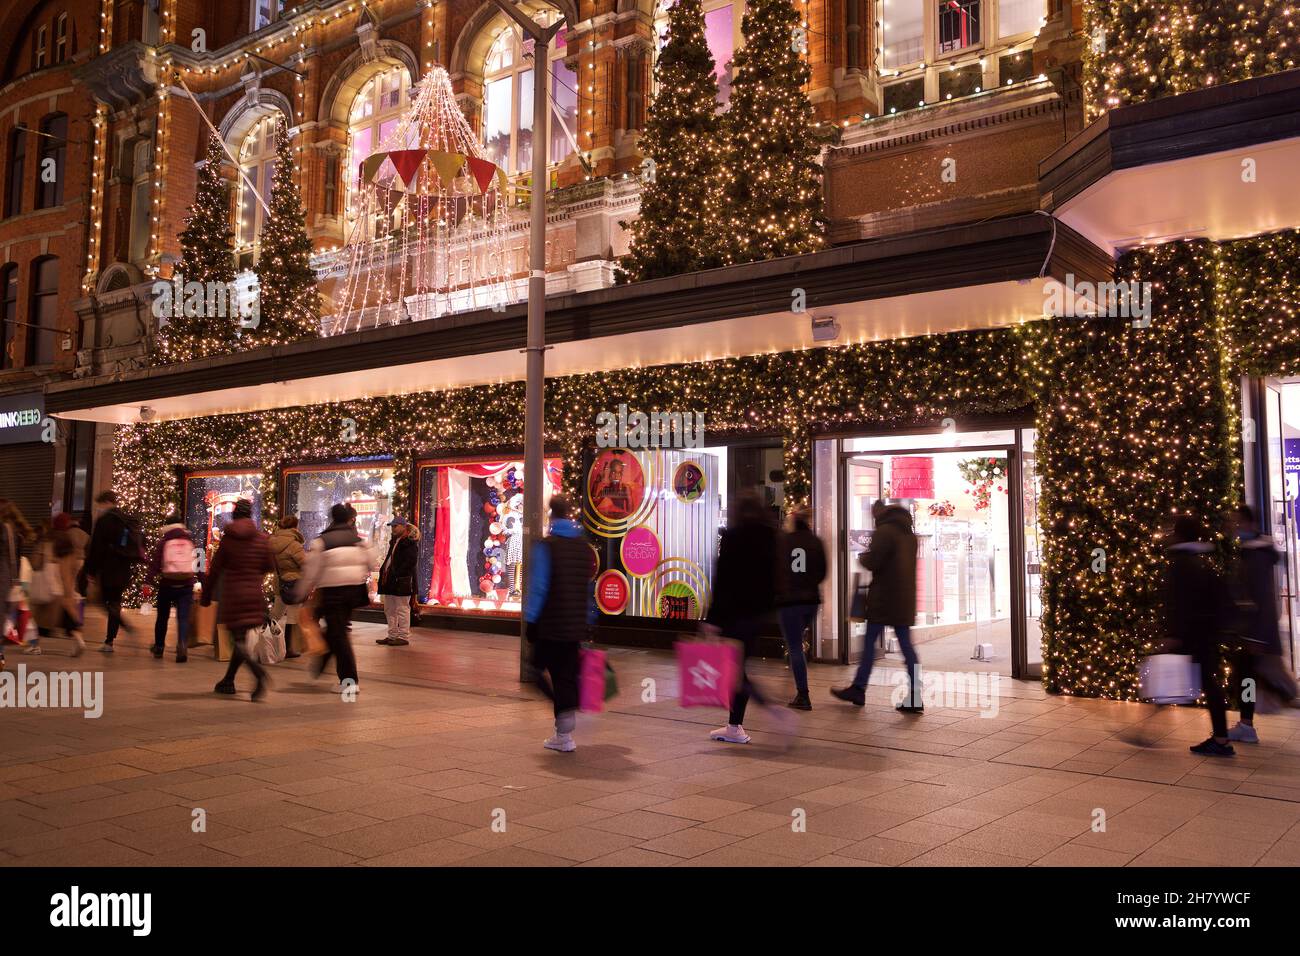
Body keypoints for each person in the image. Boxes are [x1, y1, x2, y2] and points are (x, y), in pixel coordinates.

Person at [704, 490, 785, 744]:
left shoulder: (733, 537)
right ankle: (734, 725)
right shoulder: (771, 537)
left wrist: (713, 619)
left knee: (734, 673)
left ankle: (770, 710)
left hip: (734, 614)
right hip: (757, 614)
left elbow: (724, 580)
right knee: (737, 669)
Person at [833, 499, 923, 712]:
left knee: (869, 645)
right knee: (907, 647)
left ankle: (859, 688)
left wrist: (863, 557)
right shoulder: (909, 534)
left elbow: (873, 561)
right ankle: (915, 695)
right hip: (903, 599)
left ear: (878, 513)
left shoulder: (884, 531)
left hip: (884, 598)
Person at [524, 496, 594, 752]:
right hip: (574, 625)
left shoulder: (547, 546)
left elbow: (539, 587)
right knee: (564, 674)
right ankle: (563, 732)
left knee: (534, 671)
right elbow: (587, 588)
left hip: (551, 623)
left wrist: (531, 620)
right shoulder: (582, 546)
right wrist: (588, 620)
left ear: (552, 516)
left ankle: (565, 713)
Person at [1164, 514, 1234, 756]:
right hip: (1206, 633)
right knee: (1207, 681)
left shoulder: (1183, 564)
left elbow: (1181, 603)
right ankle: (1221, 737)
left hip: (1194, 634)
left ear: (1180, 534)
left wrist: (1174, 633)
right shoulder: (1203, 561)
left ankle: (1222, 739)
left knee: (1206, 682)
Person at [1226, 505, 1296, 743]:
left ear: (1251, 524)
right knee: (1247, 675)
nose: (1235, 529)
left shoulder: (1255, 556)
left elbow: (1261, 598)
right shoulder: (1253, 552)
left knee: (1247, 676)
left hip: (1255, 633)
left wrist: (1257, 638)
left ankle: (1249, 723)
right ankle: (1247, 722)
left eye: (1238, 523)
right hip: (1253, 632)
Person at [294, 502, 377, 693]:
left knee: (338, 634)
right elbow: (372, 562)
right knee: (336, 630)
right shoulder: (359, 541)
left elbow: (310, 572)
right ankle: (322, 664)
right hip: (354, 592)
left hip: (332, 593)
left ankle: (349, 682)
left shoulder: (322, 542)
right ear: (349, 518)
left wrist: (301, 593)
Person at [202, 499, 274, 700]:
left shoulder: (229, 539)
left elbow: (215, 570)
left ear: (235, 515)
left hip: (234, 595)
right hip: (254, 594)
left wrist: (206, 596)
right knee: (240, 640)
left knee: (239, 641)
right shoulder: (262, 538)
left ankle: (259, 674)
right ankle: (228, 681)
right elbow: (269, 565)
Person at [778, 505, 826, 711]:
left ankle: (803, 694)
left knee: (795, 646)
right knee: (798, 641)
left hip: (790, 602)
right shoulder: (816, 542)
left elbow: (777, 570)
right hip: (811, 601)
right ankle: (797, 675)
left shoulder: (784, 542)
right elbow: (822, 572)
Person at [84, 490, 142, 653]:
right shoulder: (127, 519)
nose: (99, 508)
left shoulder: (104, 521)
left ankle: (120, 631)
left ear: (106, 502)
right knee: (114, 603)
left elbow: (95, 548)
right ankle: (110, 641)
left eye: (100, 504)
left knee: (103, 602)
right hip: (124, 569)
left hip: (109, 569)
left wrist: (91, 571)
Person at [26, 520, 85, 656]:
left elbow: (36, 563)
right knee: (67, 619)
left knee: (37, 618)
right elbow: (71, 571)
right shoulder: (67, 544)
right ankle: (79, 639)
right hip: (62, 588)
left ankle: (35, 646)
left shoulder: (47, 542)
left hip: (47, 587)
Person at [147, 513, 197, 662]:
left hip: (167, 584)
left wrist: (148, 580)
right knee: (183, 618)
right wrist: (202, 581)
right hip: (186, 584)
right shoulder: (190, 540)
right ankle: (182, 644)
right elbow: (198, 563)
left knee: (162, 617)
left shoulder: (164, 541)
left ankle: (159, 647)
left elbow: (156, 563)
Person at [376, 516, 418, 647]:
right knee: (389, 609)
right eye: (392, 526)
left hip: (401, 580)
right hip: (391, 580)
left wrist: (398, 573)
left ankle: (403, 636)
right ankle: (392, 635)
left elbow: (410, 562)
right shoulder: (395, 541)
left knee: (402, 608)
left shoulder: (409, 542)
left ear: (403, 526)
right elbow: (390, 560)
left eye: (395, 526)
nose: (393, 529)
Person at [269, 515, 306, 659]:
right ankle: (290, 648)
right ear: (295, 527)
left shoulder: (272, 542)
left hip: (279, 582)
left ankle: (263, 638)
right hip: (294, 583)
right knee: (293, 616)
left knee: (276, 613)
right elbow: (304, 564)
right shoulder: (294, 545)